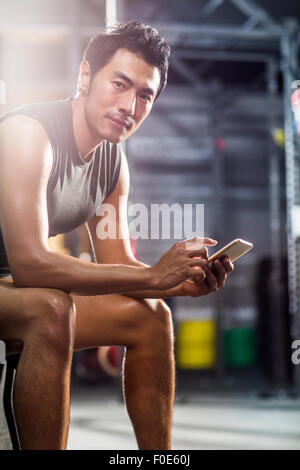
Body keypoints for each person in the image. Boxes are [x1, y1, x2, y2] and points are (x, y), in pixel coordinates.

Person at [0, 21, 233, 450]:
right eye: (119, 84)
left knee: (152, 316)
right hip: (17, 283)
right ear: (86, 76)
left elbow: (115, 267)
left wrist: (182, 283)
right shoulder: (29, 134)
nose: (130, 105)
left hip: (11, 289)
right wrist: (154, 278)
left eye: (145, 95)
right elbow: (30, 264)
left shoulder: (112, 164)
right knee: (50, 306)